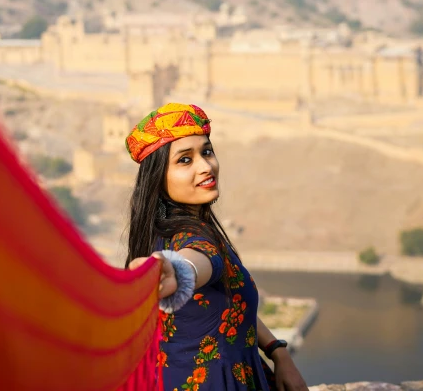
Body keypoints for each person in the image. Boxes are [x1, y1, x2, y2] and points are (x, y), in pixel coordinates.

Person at [125, 103, 309, 391]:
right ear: (158, 179)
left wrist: (277, 351)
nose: (205, 166)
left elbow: (230, 300)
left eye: (206, 151)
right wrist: (174, 270)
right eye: (185, 160)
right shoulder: (192, 239)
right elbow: (193, 262)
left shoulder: (180, 229)